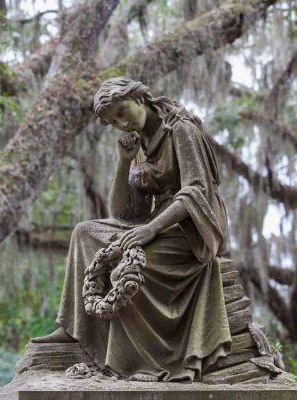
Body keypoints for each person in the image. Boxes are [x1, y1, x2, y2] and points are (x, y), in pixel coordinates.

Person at [31, 77, 232, 382]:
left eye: (122, 113)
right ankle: (72, 327)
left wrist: (151, 229)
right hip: (157, 223)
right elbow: (125, 213)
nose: (121, 124)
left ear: (140, 98)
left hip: (191, 228)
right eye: (113, 122)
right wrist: (124, 163)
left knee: (122, 273)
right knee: (84, 232)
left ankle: (137, 362)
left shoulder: (181, 129)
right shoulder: (140, 142)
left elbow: (197, 191)